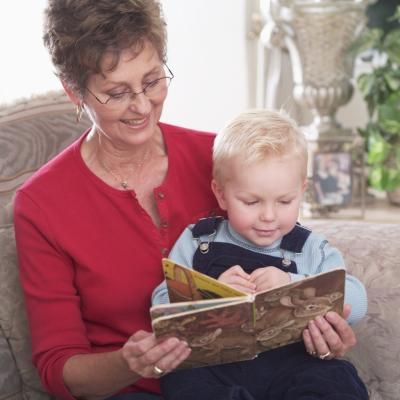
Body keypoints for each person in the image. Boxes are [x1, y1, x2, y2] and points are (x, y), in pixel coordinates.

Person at [12, 1, 364, 399]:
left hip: (268, 371)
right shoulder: (42, 205)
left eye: (152, 80)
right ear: (73, 90)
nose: (143, 106)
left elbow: (301, 248)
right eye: (116, 93)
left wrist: (325, 328)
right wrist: (129, 363)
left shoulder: (221, 159)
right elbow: (59, 367)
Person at [152, 109, 368, 400]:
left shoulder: (310, 248)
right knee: (183, 381)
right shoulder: (198, 239)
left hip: (295, 364)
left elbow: (356, 299)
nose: (268, 216)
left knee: (336, 379)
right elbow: (163, 301)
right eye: (251, 201)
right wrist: (211, 294)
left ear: (302, 191)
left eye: (284, 201)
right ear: (221, 194)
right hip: (216, 366)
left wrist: (293, 283)